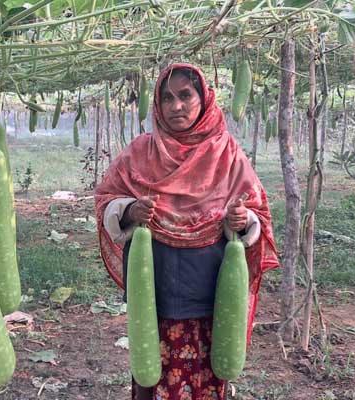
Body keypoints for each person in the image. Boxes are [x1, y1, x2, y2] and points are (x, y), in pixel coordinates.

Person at [94, 63, 279, 400]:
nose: (175, 105)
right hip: (153, 290)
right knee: (151, 372)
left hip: (208, 295)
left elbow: (257, 213)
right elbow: (106, 198)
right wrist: (129, 209)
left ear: (203, 99)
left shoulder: (228, 154)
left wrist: (241, 220)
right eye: (167, 97)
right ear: (157, 104)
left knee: (204, 379)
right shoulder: (139, 151)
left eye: (185, 95)